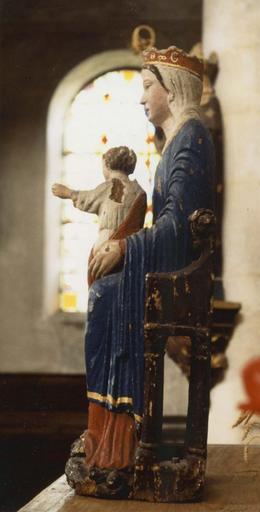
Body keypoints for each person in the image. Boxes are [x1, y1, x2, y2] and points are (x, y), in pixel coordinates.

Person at [82, 46, 215, 472]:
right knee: (103, 290)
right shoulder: (179, 137)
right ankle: (107, 438)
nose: (141, 98)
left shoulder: (191, 137)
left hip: (179, 275)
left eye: (146, 86)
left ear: (171, 89)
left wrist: (123, 248)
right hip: (165, 266)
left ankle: (118, 440)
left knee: (104, 296)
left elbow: (178, 229)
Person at [52, 146, 146, 286]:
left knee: (103, 289)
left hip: (108, 249)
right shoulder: (139, 191)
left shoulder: (110, 187)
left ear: (107, 165)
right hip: (128, 253)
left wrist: (68, 193)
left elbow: (88, 199)